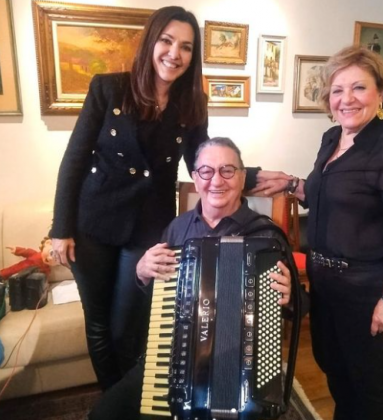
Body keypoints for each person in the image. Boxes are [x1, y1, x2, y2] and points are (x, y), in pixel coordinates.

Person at [49, 7, 262, 391]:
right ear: (151, 42)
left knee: (129, 326)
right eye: (166, 41)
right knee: (98, 324)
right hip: (92, 224)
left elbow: (203, 158)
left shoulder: (191, 104)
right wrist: (60, 229)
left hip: (148, 228)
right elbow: (75, 160)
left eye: (185, 47)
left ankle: (132, 394)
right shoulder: (108, 88)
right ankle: (116, 401)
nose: (174, 53)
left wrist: (248, 175)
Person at [254, 46, 383, 420]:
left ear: (381, 93)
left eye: (359, 88)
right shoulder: (332, 138)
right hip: (328, 285)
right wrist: (293, 184)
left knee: (366, 384)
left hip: (371, 290)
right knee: (336, 371)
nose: (346, 99)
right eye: (338, 90)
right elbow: (333, 194)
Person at [87, 137, 294, 420]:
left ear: (242, 176)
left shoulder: (266, 237)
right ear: (196, 179)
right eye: (206, 171)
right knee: (104, 414)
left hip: (241, 368)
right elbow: (157, 299)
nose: (216, 180)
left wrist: (291, 294)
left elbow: (301, 307)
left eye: (227, 170)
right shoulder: (177, 228)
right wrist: (141, 272)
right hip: (171, 358)